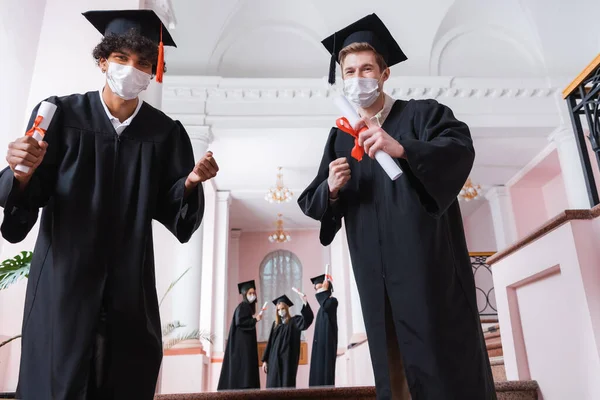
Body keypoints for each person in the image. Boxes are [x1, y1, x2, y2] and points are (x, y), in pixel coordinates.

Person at [0, 9, 219, 400]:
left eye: (142, 63)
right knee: (58, 380)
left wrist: (188, 183)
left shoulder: (165, 133)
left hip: (128, 287)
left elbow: (174, 214)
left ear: (152, 72)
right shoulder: (60, 114)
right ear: (103, 61)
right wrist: (20, 173)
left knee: (125, 378)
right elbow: (29, 196)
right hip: (65, 280)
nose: (131, 69)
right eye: (121, 58)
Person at [298, 13, 496, 400]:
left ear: (384, 73)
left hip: (428, 270)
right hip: (376, 276)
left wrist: (402, 148)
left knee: (444, 364)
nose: (357, 78)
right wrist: (332, 188)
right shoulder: (341, 137)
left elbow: (458, 149)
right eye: (349, 71)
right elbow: (315, 201)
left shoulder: (422, 114)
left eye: (366, 69)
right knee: (394, 368)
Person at [217, 280, 263, 390]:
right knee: (244, 368)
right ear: (244, 295)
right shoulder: (243, 306)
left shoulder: (246, 307)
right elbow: (240, 322)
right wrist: (255, 320)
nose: (252, 296)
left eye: (253, 293)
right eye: (250, 293)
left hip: (244, 344)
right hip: (242, 346)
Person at [261, 293, 314, 388]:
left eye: (282, 309)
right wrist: (265, 360)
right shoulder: (275, 324)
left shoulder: (294, 321)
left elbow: (307, 321)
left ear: (287, 308)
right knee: (273, 385)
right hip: (274, 360)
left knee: (286, 386)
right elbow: (270, 343)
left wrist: (304, 302)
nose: (280, 311)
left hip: (287, 361)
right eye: (278, 310)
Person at [308, 274, 338, 387]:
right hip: (320, 346)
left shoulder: (332, 302)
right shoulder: (322, 307)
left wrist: (325, 291)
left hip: (327, 345)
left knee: (325, 375)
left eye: (320, 287)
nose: (318, 291)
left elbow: (327, 305)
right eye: (316, 289)